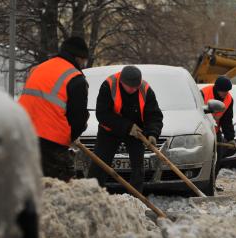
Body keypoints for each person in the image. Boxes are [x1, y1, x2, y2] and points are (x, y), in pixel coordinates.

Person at [19, 36, 90, 181]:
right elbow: (78, 118)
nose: (83, 64)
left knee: (30, 184)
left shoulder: (39, 68)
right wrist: (71, 136)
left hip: (23, 132)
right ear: (79, 58)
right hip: (51, 141)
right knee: (61, 187)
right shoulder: (76, 79)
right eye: (84, 60)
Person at [88, 66, 163, 194]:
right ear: (121, 82)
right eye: (130, 86)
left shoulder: (145, 89)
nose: (133, 89)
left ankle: (135, 198)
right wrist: (127, 126)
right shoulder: (109, 85)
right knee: (100, 164)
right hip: (110, 130)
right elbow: (102, 114)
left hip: (137, 132)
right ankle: (92, 195)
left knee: (138, 168)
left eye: (136, 87)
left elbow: (154, 115)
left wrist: (152, 133)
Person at [201, 76, 235, 191]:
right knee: (205, 160)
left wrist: (230, 138)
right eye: (223, 91)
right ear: (217, 89)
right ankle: (202, 184)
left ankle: (212, 184)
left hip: (215, 132)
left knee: (218, 158)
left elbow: (227, 120)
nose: (225, 94)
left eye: (227, 91)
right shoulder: (204, 93)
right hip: (202, 133)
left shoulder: (229, 99)